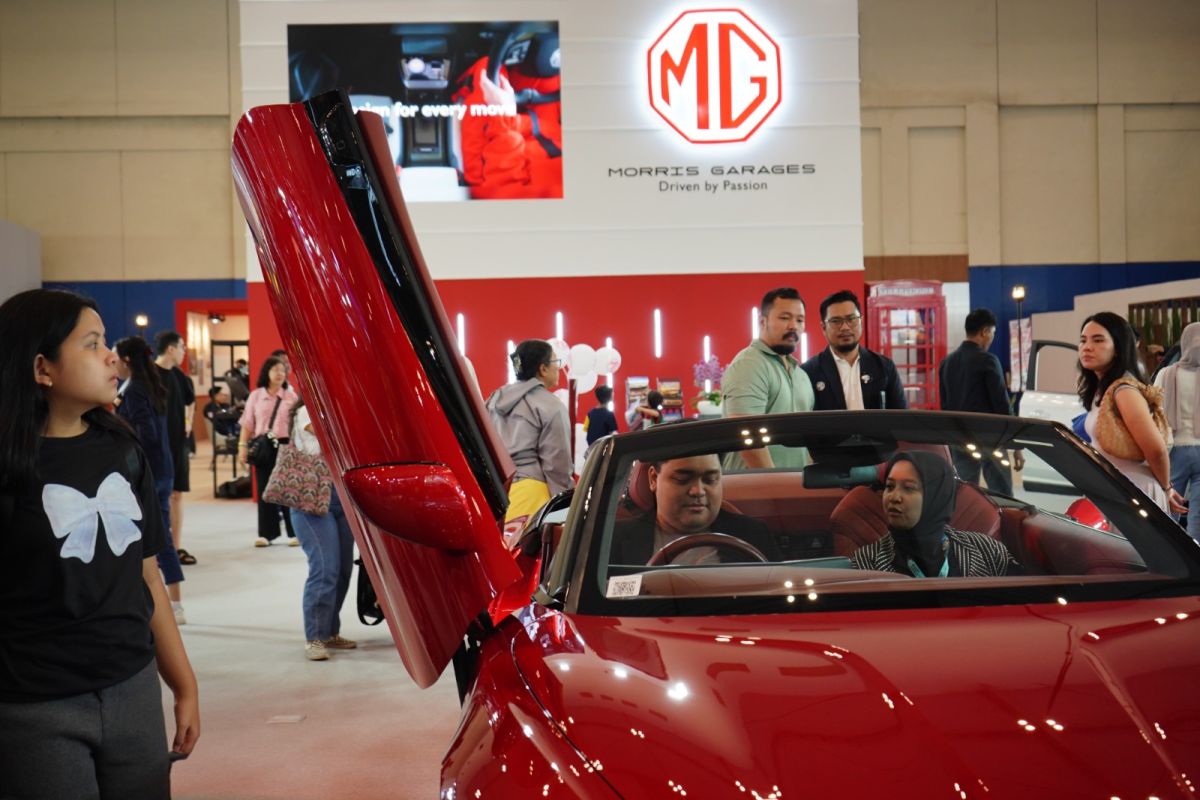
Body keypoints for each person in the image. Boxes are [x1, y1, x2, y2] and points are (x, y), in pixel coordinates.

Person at [0, 289, 199, 798]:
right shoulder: (11, 468)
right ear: (42, 368)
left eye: (106, 342)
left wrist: (183, 683)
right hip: (35, 706)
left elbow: (147, 575)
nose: (112, 356)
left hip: (132, 683)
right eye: (92, 344)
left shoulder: (123, 451)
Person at [1078, 312, 1187, 515]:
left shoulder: (1124, 391)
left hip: (1134, 494)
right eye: (1083, 340)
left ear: (1118, 348)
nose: (1087, 347)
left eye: (1098, 340)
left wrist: (1167, 489)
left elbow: (1156, 450)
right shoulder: (1104, 388)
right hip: (1116, 490)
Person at [851, 451, 1019, 577]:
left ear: (937, 496)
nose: (894, 497)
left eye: (908, 488)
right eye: (889, 486)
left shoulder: (987, 550)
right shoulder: (868, 560)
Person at [115, 336, 187, 625]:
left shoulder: (134, 389)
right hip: (162, 468)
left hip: (148, 472)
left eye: (114, 355)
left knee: (147, 539)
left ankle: (167, 605)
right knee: (161, 536)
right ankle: (175, 602)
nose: (111, 360)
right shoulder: (150, 385)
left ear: (126, 360)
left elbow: (147, 433)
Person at [610, 454, 780, 564]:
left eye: (710, 480)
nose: (698, 491)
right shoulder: (614, 541)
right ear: (653, 478)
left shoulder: (753, 535)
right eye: (682, 479)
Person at [286, 398, 357, 661]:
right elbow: (332, 436)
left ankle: (329, 631)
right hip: (311, 496)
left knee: (343, 570)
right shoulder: (307, 411)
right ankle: (315, 636)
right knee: (325, 568)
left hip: (340, 495)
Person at [721, 288, 815, 470]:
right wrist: (776, 482)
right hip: (755, 485)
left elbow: (805, 440)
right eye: (785, 318)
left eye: (800, 320)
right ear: (762, 321)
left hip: (795, 483)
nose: (793, 326)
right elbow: (747, 435)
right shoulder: (749, 364)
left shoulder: (801, 374)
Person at [486, 340, 572, 533]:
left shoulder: (493, 399)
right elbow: (556, 464)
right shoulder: (551, 405)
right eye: (555, 362)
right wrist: (565, 504)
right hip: (533, 492)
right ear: (543, 369)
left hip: (495, 493)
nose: (558, 368)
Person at [938, 308, 1025, 494]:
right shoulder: (988, 361)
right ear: (985, 331)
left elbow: (944, 407)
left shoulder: (946, 363)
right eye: (992, 332)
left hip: (959, 440)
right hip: (990, 440)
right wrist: (1015, 446)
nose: (992, 338)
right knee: (1002, 495)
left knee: (965, 494)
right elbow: (1002, 407)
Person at [802, 290, 907, 412]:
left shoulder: (884, 366)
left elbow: (901, 417)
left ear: (861, 321)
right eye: (836, 321)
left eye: (851, 319)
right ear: (824, 328)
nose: (845, 327)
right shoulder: (809, 372)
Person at [238, 356, 300, 546]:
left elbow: (298, 424)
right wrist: (242, 446)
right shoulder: (256, 395)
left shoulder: (290, 396)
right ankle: (266, 534)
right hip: (264, 446)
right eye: (275, 369)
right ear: (267, 372)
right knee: (265, 489)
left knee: (288, 489)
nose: (280, 373)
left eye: (282, 370)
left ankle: (294, 532)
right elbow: (247, 423)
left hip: (286, 445)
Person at [154, 331, 196, 565]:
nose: (183, 352)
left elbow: (191, 402)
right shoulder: (148, 375)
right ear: (170, 349)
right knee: (156, 496)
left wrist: (188, 423)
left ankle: (175, 548)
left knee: (176, 495)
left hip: (178, 445)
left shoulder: (179, 376)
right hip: (155, 446)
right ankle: (156, 549)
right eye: (182, 347)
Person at [1154, 322, 1199, 539]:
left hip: (1174, 449)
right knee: (1198, 516)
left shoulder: (1166, 373)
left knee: (1168, 506)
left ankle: (1169, 550)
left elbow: (1155, 410)